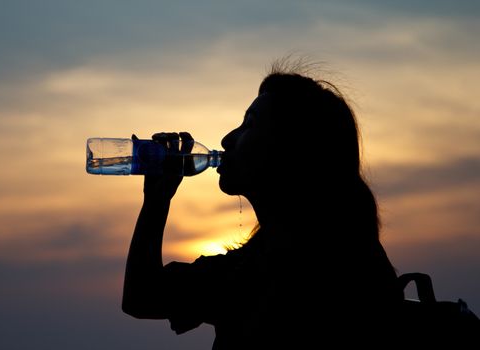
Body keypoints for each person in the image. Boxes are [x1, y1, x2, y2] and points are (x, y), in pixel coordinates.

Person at [121, 62, 404, 349]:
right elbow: (141, 297)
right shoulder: (257, 264)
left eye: (250, 124)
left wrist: (156, 204)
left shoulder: (298, 270)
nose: (226, 139)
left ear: (291, 150)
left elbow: (141, 297)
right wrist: (156, 200)